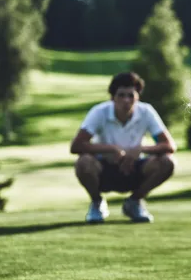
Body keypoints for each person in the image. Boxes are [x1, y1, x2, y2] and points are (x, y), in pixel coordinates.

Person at [70, 72, 176, 223]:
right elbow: (76, 146)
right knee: (83, 162)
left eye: (131, 95)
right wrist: (112, 149)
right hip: (104, 170)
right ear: (112, 97)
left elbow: (169, 145)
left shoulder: (146, 111)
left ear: (137, 97)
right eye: (121, 95)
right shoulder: (99, 112)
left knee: (168, 162)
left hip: (135, 169)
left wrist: (140, 150)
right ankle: (97, 203)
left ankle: (134, 202)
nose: (126, 100)